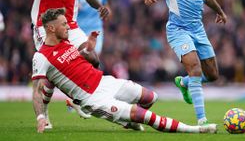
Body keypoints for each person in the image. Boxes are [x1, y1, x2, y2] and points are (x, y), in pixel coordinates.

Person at [31, 8, 218, 134]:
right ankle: (194, 129)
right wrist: (40, 116)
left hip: (105, 82)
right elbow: (38, 90)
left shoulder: (68, 43)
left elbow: (88, 64)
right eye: (64, 24)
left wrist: (88, 49)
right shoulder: (42, 56)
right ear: (51, 28)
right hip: (92, 98)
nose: (67, 27)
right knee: (140, 114)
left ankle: (126, 119)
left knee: (150, 97)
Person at [13, 0, 109, 129]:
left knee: (93, 58)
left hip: (70, 26)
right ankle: (44, 114)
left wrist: (100, 6)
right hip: (45, 27)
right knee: (51, 71)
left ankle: (81, 100)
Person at [141, 0, 227, 125]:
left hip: (198, 29)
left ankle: (184, 82)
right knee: (195, 68)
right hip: (178, 29)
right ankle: (202, 120)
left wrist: (220, 11)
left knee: (213, 75)